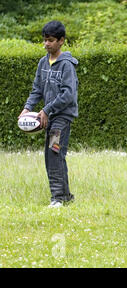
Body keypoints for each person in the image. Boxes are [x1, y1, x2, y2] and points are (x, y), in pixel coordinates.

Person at [19, 20, 79, 208]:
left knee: (54, 153)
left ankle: (59, 198)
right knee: (51, 154)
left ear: (61, 41)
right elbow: (37, 89)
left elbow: (68, 94)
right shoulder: (43, 62)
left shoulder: (66, 65)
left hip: (62, 116)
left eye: (51, 40)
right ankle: (65, 196)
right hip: (50, 116)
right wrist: (28, 107)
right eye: (44, 40)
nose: (46, 44)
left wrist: (46, 109)